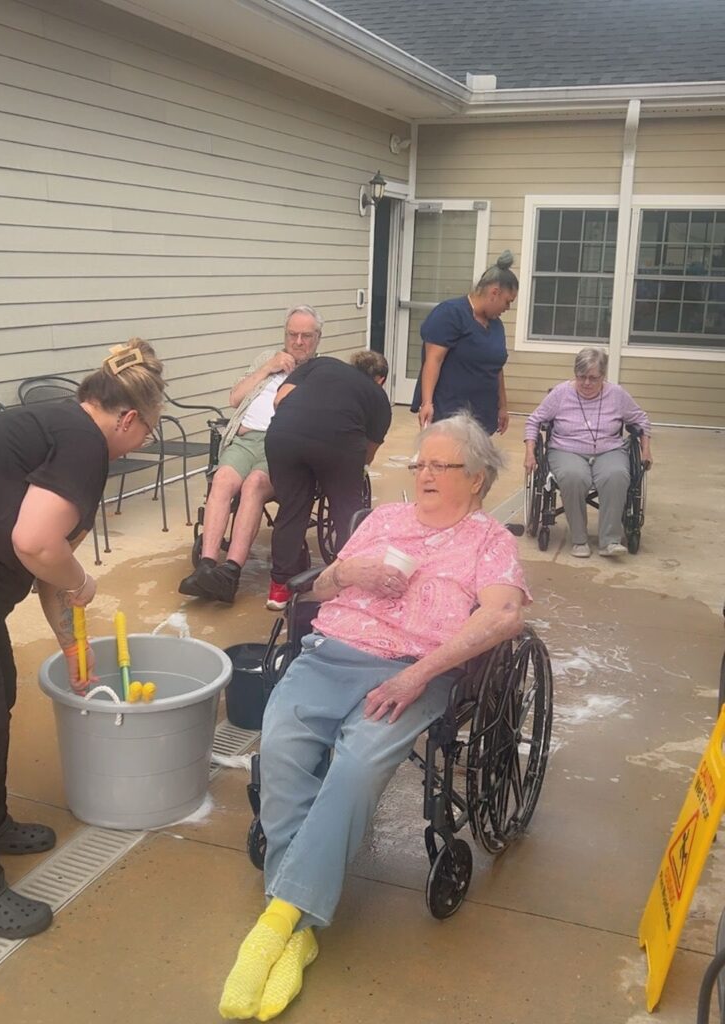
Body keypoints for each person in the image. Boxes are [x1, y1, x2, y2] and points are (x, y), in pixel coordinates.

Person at [218, 411, 529, 1021]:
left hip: (414, 671)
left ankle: (276, 922)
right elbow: (317, 588)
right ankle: (298, 931)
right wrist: (346, 571)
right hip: (331, 653)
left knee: (357, 765)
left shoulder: (489, 540)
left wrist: (418, 675)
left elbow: (503, 616)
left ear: (476, 478)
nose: (425, 475)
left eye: (441, 466)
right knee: (280, 744)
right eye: (420, 464)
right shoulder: (384, 519)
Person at [0, 339, 165, 940]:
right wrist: (83, 581)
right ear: (127, 418)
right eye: (148, 431)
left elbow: (48, 569)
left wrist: (75, 652)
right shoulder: (82, 443)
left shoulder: (58, 429)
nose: (144, 442)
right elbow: (35, 544)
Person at [178, 305, 322, 604]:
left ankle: (230, 573)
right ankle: (206, 567)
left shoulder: (320, 371)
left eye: (306, 336)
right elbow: (235, 398)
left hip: (282, 446)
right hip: (244, 440)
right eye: (292, 334)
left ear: (317, 338)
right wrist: (268, 367)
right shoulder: (266, 358)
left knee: (254, 484)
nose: (298, 342)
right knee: (222, 480)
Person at [264, 350, 392, 611]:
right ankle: (347, 586)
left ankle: (279, 590)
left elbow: (279, 399)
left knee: (291, 509)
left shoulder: (320, 364)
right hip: (339, 443)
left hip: (284, 434)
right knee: (347, 512)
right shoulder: (378, 397)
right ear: (380, 380)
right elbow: (368, 454)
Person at [524, 347, 652, 558]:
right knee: (574, 476)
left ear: (603, 376)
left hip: (608, 449)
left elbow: (641, 420)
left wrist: (646, 450)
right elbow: (534, 420)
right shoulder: (561, 393)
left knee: (616, 475)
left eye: (593, 378)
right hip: (566, 449)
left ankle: (610, 541)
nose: (586, 383)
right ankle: (579, 540)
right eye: (581, 376)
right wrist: (530, 453)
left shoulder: (617, 394)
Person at [411, 251, 518, 435]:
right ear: (494, 293)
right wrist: (427, 403)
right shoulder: (450, 314)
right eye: (508, 302)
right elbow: (433, 360)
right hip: (450, 413)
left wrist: (502, 406)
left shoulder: (496, 325)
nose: (507, 308)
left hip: (483, 414)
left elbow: (496, 368)